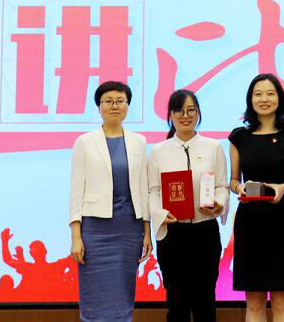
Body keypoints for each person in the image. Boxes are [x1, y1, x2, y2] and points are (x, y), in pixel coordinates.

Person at [68, 80, 152, 322]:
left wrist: (147, 231)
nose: (114, 106)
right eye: (108, 101)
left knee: (123, 291)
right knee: (94, 292)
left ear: (127, 106)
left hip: (128, 227)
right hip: (95, 229)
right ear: (99, 107)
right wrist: (76, 236)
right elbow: (76, 191)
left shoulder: (139, 141)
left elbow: (143, 188)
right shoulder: (85, 142)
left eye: (120, 101)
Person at [228, 73, 284, 322]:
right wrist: (239, 188)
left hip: (281, 220)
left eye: (270, 93)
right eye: (258, 94)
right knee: (254, 301)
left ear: (279, 98)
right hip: (249, 221)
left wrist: (282, 188)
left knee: (282, 299)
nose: (264, 99)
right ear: (250, 99)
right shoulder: (239, 137)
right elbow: (233, 180)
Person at [148, 89, 229, 322]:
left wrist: (219, 204)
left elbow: (222, 186)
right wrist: (160, 213)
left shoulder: (213, 147)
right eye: (179, 111)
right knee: (177, 301)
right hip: (173, 234)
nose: (186, 116)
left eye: (191, 110)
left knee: (205, 299)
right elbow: (153, 190)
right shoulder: (159, 151)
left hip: (205, 232)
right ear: (170, 115)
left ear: (198, 113)